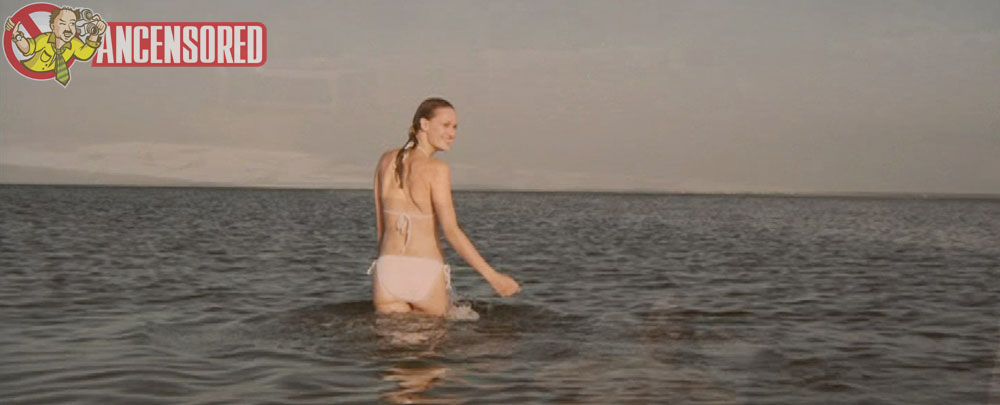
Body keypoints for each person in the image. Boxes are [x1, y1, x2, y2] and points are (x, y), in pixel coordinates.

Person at [368, 97, 521, 316]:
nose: (452, 133)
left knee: (393, 338)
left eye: (455, 127)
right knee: (436, 337)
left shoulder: (385, 160)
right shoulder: (437, 169)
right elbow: (451, 231)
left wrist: (390, 268)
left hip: (388, 270)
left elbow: (381, 227)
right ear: (424, 124)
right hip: (424, 270)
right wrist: (492, 276)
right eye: (446, 125)